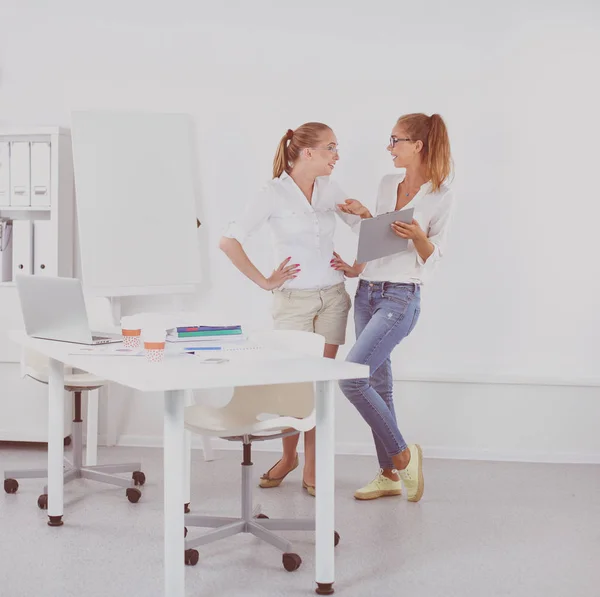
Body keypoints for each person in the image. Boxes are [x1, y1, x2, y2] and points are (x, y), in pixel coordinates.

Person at [220, 122, 359, 496]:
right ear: (307, 152)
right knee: (295, 386)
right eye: (330, 147)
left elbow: (365, 230)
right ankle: (289, 457)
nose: (337, 155)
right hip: (293, 302)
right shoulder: (273, 193)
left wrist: (358, 256)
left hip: (332, 297)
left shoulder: (331, 190)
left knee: (319, 384)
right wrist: (265, 281)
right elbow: (229, 241)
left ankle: (311, 464)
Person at [333, 113, 454, 503]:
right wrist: (366, 219)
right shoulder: (388, 184)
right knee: (379, 383)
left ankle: (403, 455)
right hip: (368, 291)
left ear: (418, 145)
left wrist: (419, 235)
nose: (390, 147)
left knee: (352, 379)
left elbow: (432, 261)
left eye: (396, 140)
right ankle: (388, 474)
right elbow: (381, 239)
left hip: (401, 296)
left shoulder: (441, 194)